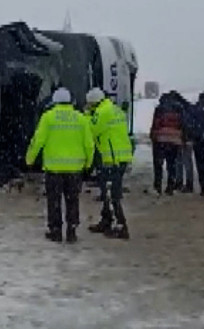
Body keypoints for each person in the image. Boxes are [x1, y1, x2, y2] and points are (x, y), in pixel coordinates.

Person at [25, 87, 94, 243]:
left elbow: (38, 141)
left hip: (54, 169)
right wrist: (88, 163)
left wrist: (29, 159)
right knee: (73, 200)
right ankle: (72, 231)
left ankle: (55, 231)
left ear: (54, 101)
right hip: (75, 170)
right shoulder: (81, 118)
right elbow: (89, 144)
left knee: (54, 201)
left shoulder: (48, 117)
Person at [85, 88, 133, 239]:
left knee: (112, 193)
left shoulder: (102, 112)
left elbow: (91, 130)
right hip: (120, 156)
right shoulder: (115, 109)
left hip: (112, 158)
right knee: (107, 191)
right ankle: (107, 220)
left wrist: (86, 115)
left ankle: (120, 225)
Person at [150, 93, 184, 194]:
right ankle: (170, 186)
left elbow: (155, 123)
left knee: (158, 164)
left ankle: (158, 186)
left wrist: (153, 135)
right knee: (172, 164)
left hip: (160, 140)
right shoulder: (179, 109)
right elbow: (183, 124)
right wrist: (183, 138)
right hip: (174, 140)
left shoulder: (159, 109)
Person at [167, 90, 196, 193]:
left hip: (184, 138)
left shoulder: (179, 108)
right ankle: (186, 183)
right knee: (184, 161)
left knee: (182, 161)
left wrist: (184, 136)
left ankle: (186, 184)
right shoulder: (187, 106)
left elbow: (183, 123)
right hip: (186, 138)